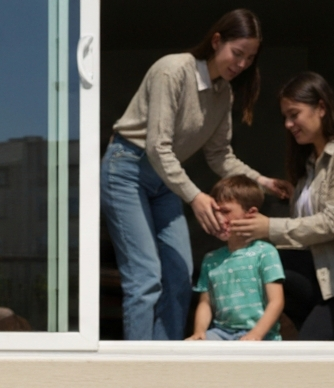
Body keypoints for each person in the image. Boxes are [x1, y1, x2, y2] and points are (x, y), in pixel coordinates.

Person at [101, 9, 291, 341]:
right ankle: (139, 369)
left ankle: (168, 361)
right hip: (126, 169)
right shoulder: (172, 71)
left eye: (250, 58)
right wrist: (196, 196)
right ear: (217, 41)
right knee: (146, 277)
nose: (242, 64)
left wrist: (263, 182)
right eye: (237, 53)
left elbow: (220, 156)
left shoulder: (223, 94)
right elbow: (158, 147)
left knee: (179, 274)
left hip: (164, 180)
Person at [229, 71, 334, 341]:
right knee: (256, 259)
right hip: (317, 280)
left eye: (294, 114)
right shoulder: (308, 169)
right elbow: (303, 236)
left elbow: (333, 222)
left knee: (304, 354)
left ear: (321, 108)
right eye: (285, 117)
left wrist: (268, 228)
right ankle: (230, 331)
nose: (288, 124)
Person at [186, 176, 284, 341]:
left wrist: (256, 335)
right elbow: (205, 303)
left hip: (261, 335)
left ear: (250, 214)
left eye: (225, 211)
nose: (218, 218)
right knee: (190, 352)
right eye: (215, 212)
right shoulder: (211, 259)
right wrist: (199, 332)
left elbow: (276, 301)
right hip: (221, 333)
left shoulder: (265, 252)